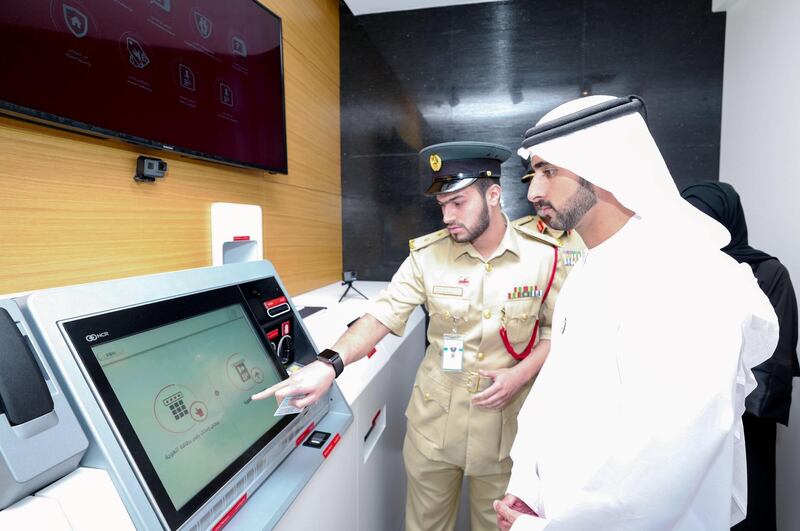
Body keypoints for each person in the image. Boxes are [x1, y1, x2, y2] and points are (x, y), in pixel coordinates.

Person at [493, 95, 779, 531]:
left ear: (604, 168)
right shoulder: (590, 269)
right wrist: (528, 488)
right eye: (534, 174)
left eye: (549, 171)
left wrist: (550, 528)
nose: (533, 191)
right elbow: (554, 396)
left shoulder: (688, 276)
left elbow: (664, 463)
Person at [254, 141, 572, 531]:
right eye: (442, 205)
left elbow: (555, 333)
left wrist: (519, 375)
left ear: (493, 194)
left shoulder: (545, 256)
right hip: (434, 428)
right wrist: (328, 363)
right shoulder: (427, 256)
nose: (447, 216)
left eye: (458, 202)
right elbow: (382, 314)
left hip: (507, 433)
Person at [681, 181, 799, 531]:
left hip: (745, 422)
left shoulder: (767, 274)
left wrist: (728, 402)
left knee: (748, 509)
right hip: (689, 423)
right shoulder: (679, 275)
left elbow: (776, 356)